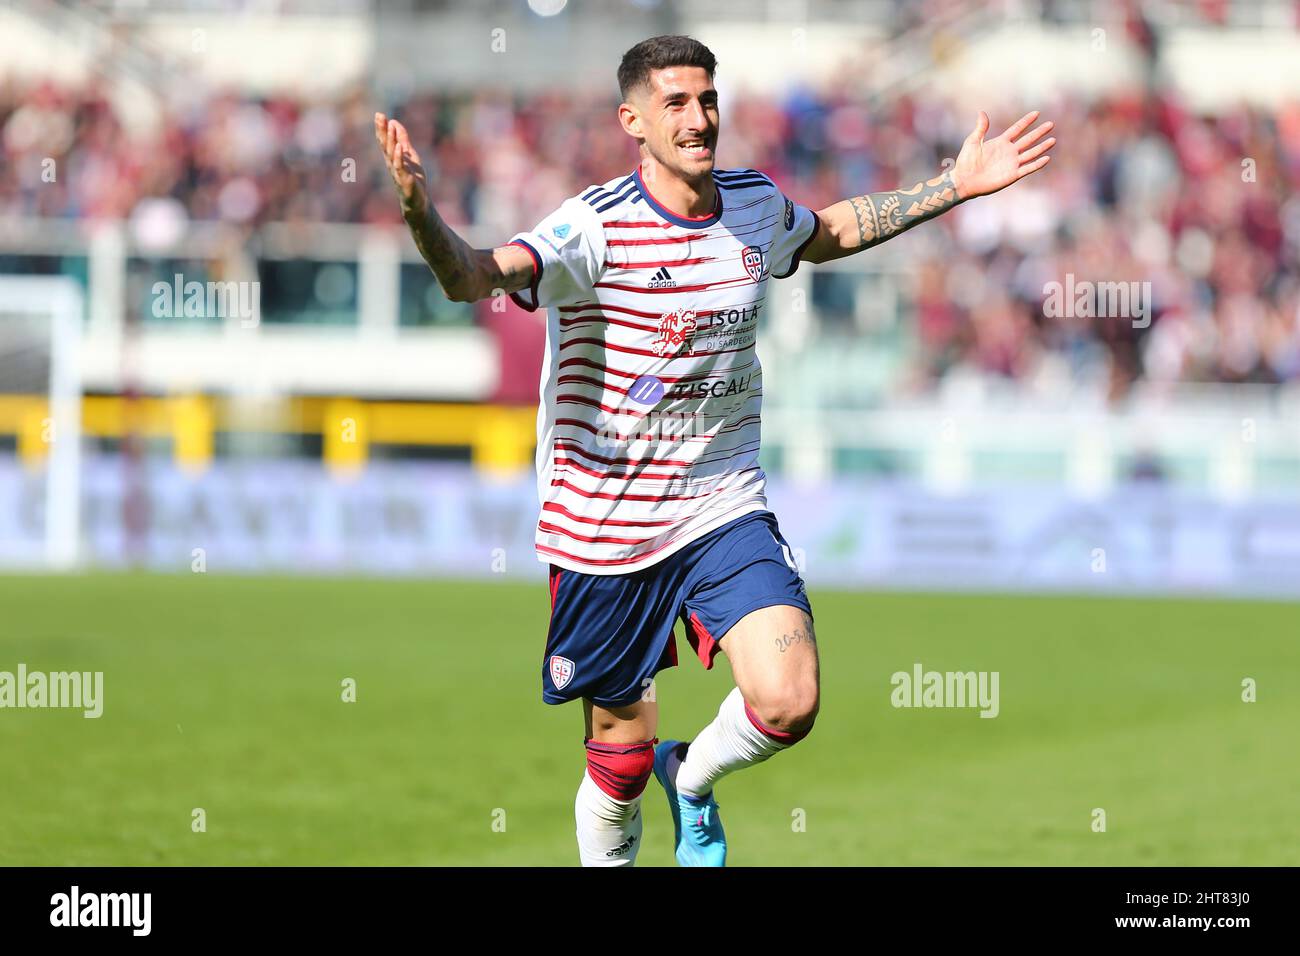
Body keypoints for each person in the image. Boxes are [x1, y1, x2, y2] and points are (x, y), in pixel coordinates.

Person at [375, 34, 1055, 866]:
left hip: (722, 504)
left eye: (707, 100)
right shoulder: (595, 229)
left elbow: (829, 232)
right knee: (617, 764)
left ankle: (692, 779)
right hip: (606, 531)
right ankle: (640, 797)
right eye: (676, 104)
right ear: (633, 120)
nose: (699, 120)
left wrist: (953, 186)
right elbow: (474, 275)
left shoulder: (752, 203)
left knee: (790, 698)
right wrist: (420, 213)